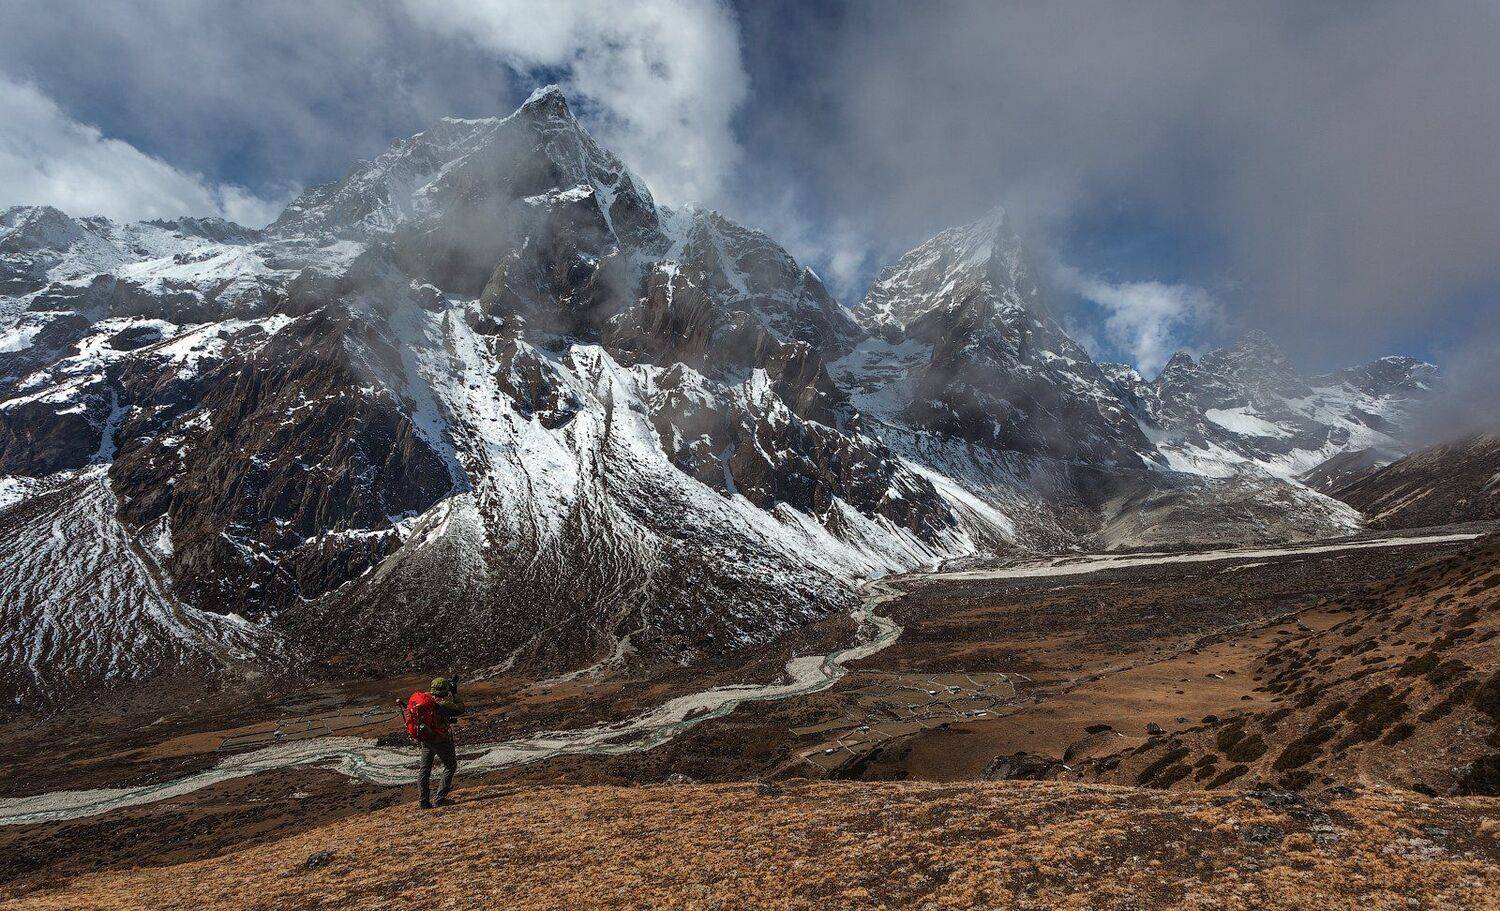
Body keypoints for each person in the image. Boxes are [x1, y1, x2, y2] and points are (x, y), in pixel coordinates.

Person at [400, 676, 466, 809]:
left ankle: (423, 801)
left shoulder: (425, 700)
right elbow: (460, 709)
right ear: (444, 691)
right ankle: (440, 799)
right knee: (450, 766)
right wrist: (454, 693)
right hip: (440, 739)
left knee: (424, 769)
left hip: (426, 738)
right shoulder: (442, 703)